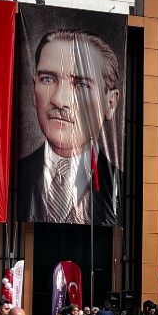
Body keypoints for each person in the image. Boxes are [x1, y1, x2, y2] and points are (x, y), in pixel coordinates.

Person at [17, 28, 121, 225]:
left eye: (81, 85)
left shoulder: (121, 186)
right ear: (33, 89)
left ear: (110, 103)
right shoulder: (13, 177)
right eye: (48, 79)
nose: (59, 100)